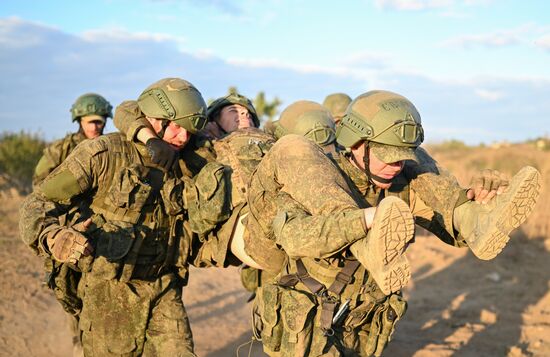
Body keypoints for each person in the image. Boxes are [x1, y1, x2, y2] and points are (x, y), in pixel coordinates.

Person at [243, 90, 541, 356]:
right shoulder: (312, 175)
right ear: (357, 142)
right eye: (387, 156)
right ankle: (366, 243)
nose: (395, 166)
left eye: (401, 157)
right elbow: (295, 237)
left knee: (441, 189)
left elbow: (450, 231)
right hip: (309, 321)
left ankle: (474, 217)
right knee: (293, 146)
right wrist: (364, 221)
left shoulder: (401, 182)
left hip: (365, 318)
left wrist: (476, 202)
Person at [19, 78, 219, 356]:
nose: (182, 137)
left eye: (187, 130)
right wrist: (53, 235)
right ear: (153, 117)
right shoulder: (103, 154)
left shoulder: (188, 158)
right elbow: (37, 203)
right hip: (110, 292)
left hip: (164, 286)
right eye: (175, 126)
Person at [33, 93, 112, 186]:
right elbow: (39, 182)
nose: (94, 127)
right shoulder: (61, 148)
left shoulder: (111, 147)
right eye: (89, 122)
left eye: (98, 122)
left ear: (105, 122)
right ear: (79, 121)